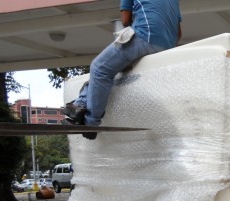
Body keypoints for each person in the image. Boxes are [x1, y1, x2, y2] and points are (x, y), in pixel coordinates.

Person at [64, 0, 182, 140]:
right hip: (167, 45)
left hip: (145, 36)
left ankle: (91, 123)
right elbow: (179, 34)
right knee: (110, 69)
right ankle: (80, 104)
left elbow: (126, 20)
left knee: (99, 67)